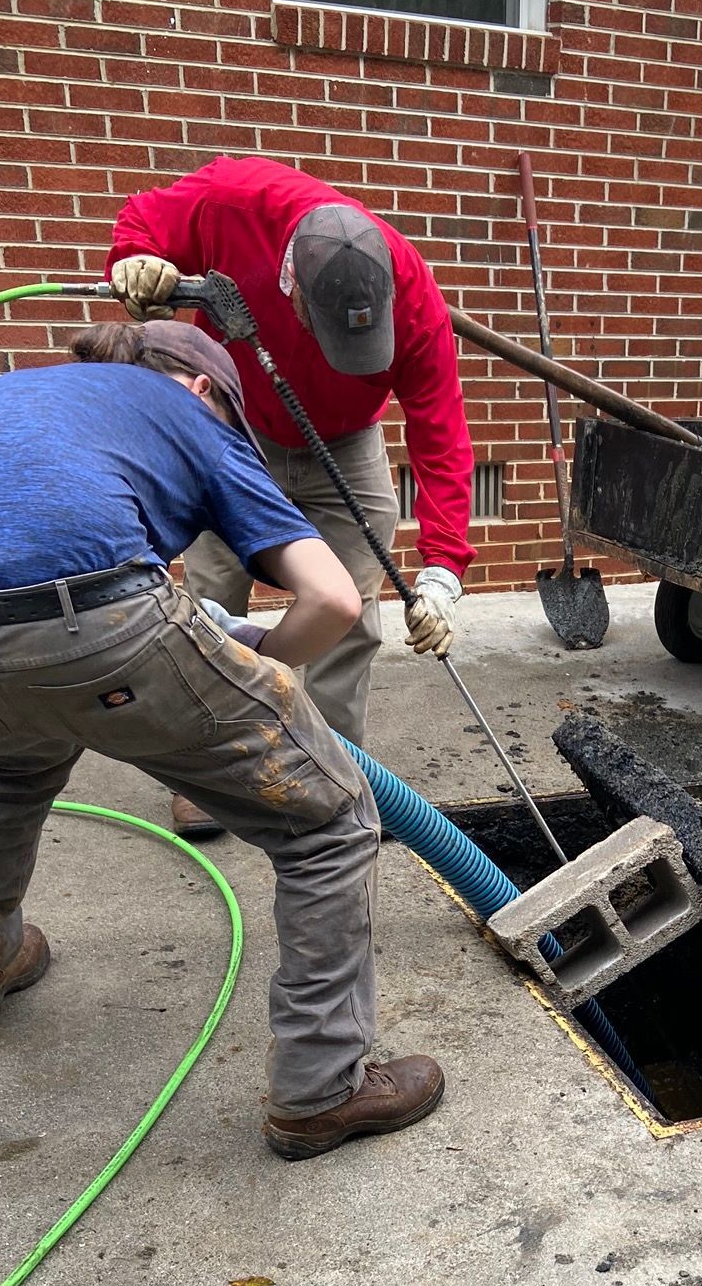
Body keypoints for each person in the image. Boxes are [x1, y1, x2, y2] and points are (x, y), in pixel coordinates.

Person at [0, 319, 445, 1160]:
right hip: (98, 624)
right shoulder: (193, 416)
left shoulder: (8, 390)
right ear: (202, 387)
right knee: (328, 821)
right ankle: (322, 1090)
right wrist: (257, 665)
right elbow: (333, 601)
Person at [107, 155, 477, 838]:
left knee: (351, 611)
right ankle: (213, 772)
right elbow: (142, 218)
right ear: (290, 287)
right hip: (236, 428)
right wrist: (136, 259)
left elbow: (441, 434)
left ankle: (333, 772)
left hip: (347, 442)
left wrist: (442, 571)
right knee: (211, 601)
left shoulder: (415, 296)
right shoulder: (234, 201)